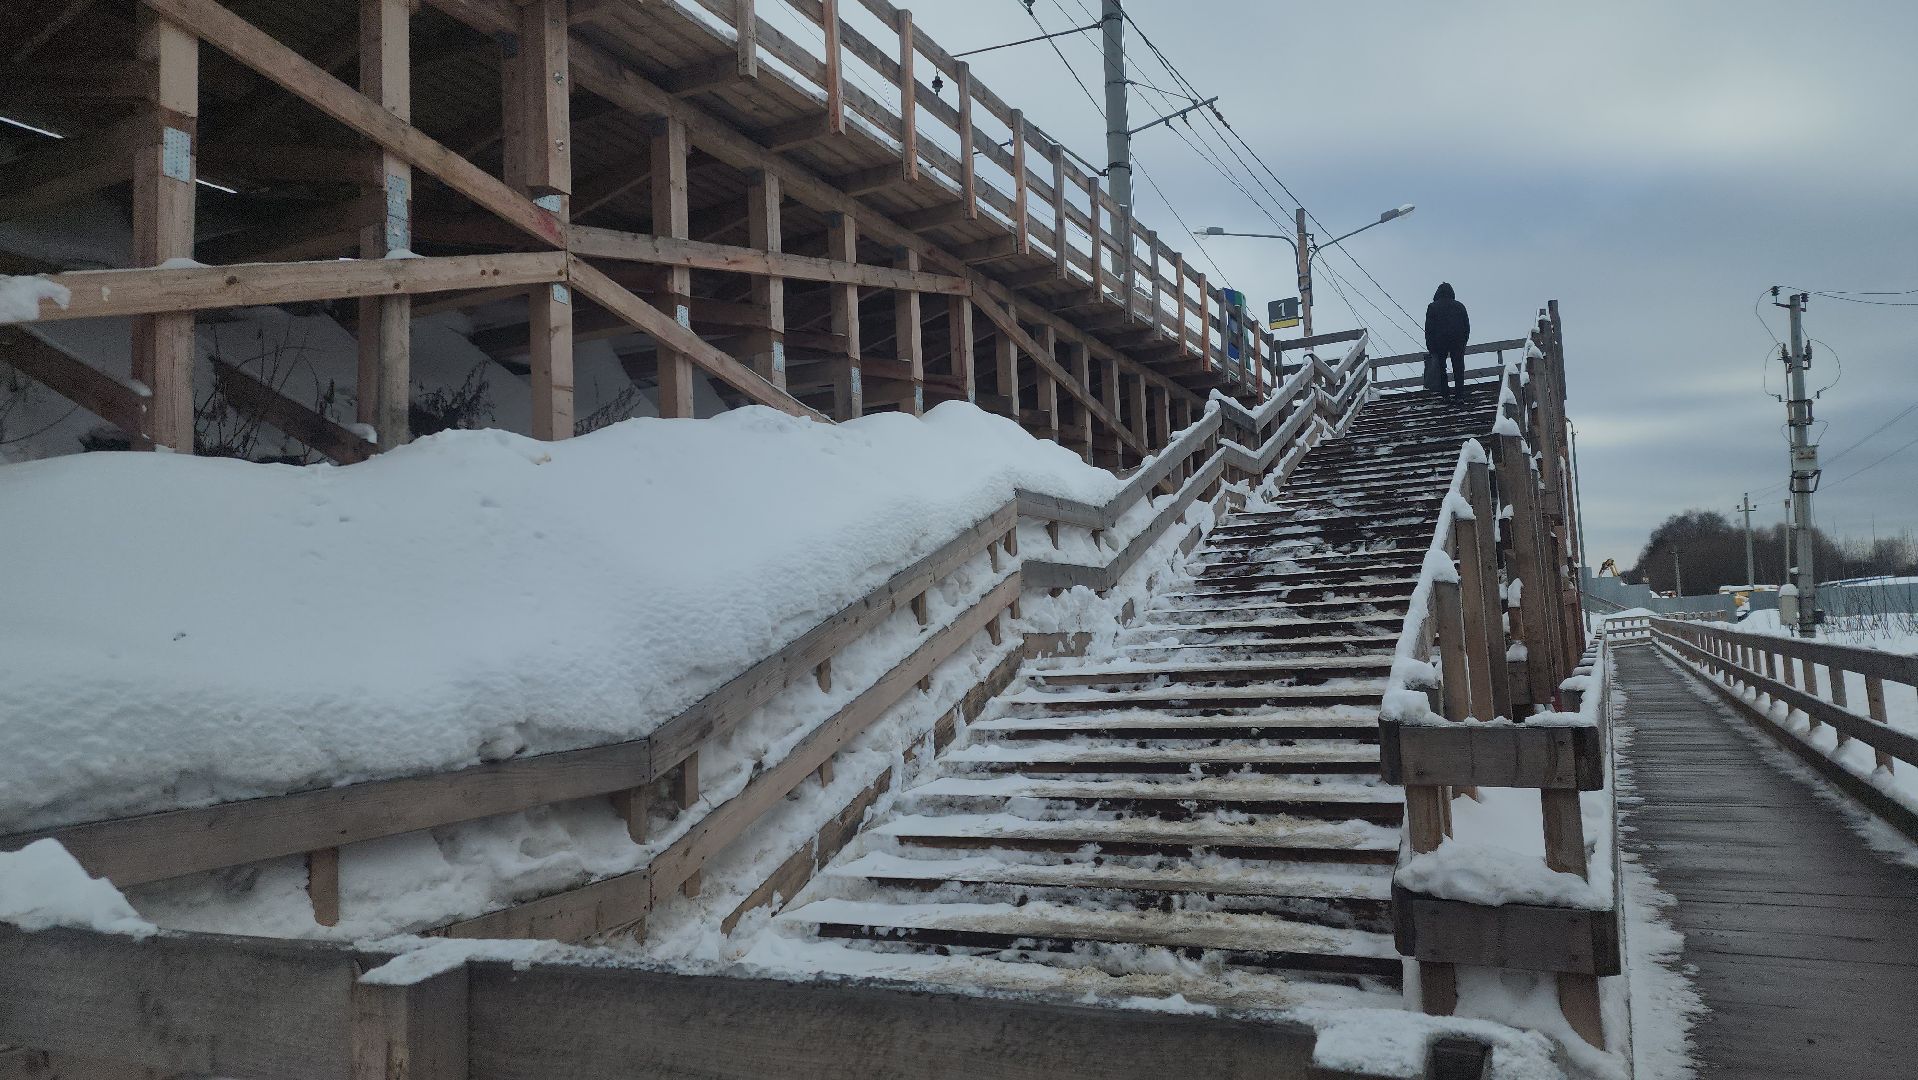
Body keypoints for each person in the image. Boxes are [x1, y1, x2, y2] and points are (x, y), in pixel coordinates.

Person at [1424, 282, 1470, 401]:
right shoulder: (1460, 306)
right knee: (1458, 367)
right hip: (1457, 340)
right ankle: (1459, 395)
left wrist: (1431, 346)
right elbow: (1466, 327)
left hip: (1439, 341)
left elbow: (1429, 329)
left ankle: (1445, 395)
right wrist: (1464, 341)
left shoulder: (1433, 307)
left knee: (1441, 368)